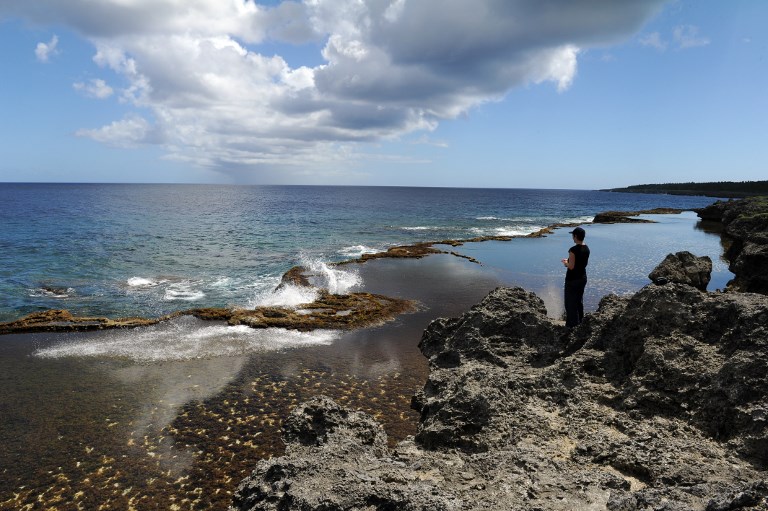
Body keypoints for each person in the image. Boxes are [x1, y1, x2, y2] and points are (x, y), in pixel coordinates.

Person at [561, 226, 589, 328]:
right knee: (578, 302)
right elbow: (580, 263)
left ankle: (571, 327)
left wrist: (566, 263)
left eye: (573, 235)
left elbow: (571, 266)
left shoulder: (573, 250)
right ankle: (580, 323)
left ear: (575, 236)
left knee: (570, 304)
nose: (572, 237)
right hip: (582, 277)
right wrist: (569, 261)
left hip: (572, 279)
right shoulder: (586, 248)